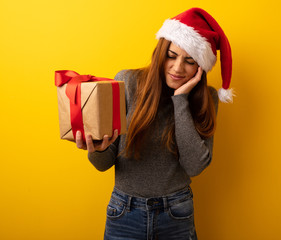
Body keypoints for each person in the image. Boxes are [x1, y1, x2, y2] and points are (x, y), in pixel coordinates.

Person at [75, 8, 233, 240]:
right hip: (124, 212)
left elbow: (194, 166)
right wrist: (96, 150)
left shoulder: (206, 98)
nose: (178, 68)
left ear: (201, 67)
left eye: (190, 61)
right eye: (172, 55)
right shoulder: (127, 82)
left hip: (176, 213)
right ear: (160, 52)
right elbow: (103, 163)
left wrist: (180, 100)